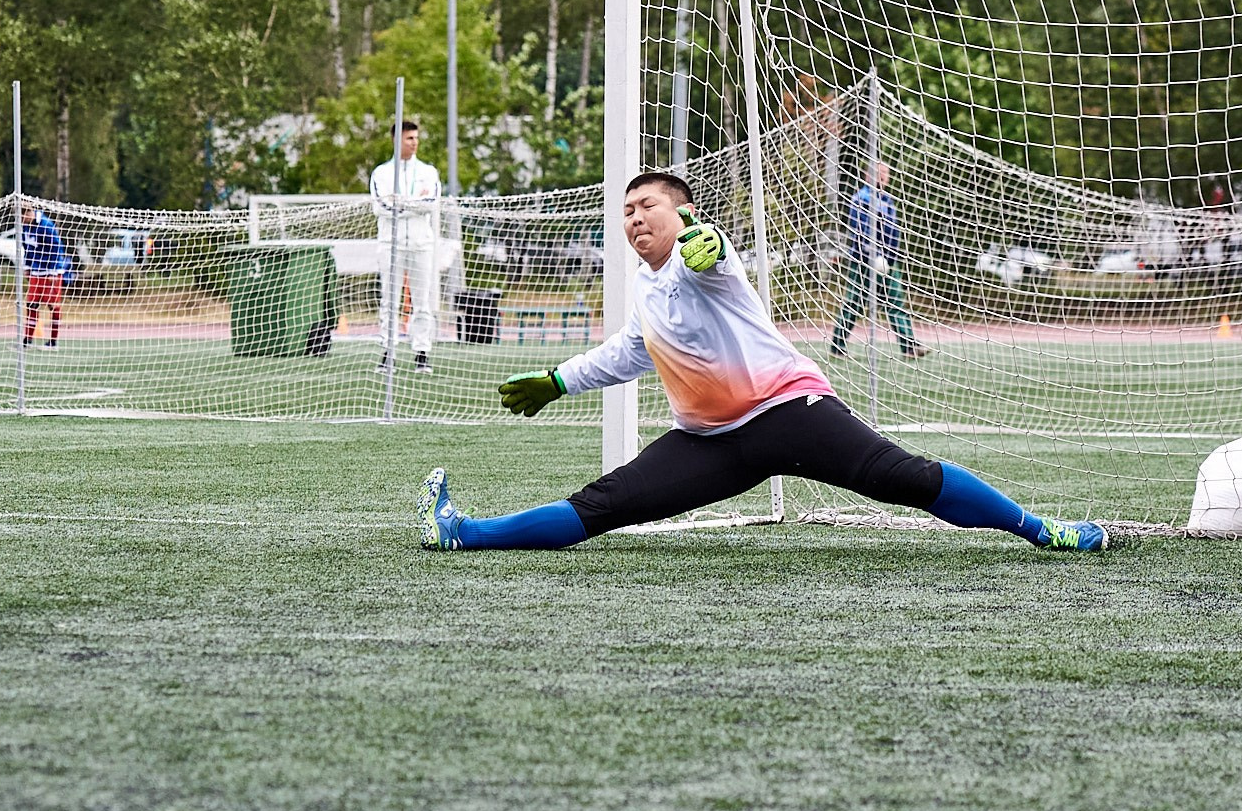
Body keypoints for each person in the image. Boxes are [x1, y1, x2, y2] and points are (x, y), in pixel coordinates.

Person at [417, 171, 1114, 554]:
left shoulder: (704, 257)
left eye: (648, 206)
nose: (634, 217)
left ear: (681, 212)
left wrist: (709, 242)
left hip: (791, 413)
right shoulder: (646, 284)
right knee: (602, 506)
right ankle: (464, 532)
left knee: (908, 478)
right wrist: (558, 379)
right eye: (627, 210)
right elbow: (633, 348)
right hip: (710, 443)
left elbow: (716, 253)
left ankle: (1040, 529)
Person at [828, 161, 927, 360]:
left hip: (889, 262)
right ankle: (837, 346)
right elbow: (859, 231)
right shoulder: (861, 199)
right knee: (854, 302)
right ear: (868, 176)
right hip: (864, 261)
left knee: (896, 303)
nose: (883, 176)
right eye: (879, 172)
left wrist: (890, 256)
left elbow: (893, 233)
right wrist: (872, 255)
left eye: (886, 173)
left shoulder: (888, 201)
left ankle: (909, 347)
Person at [369, 119, 441, 374]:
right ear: (397, 140)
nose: (414, 143)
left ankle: (422, 352)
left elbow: (430, 203)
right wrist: (411, 204)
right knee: (390, 300)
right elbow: (382, 206)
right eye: (409, 139)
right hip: (391, 244)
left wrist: (403, 203)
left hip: (422, 244)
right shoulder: (381, 173)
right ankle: (389, 353)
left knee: (422, 301)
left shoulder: (428, 172)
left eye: (416, 138)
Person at [21, 205, 70, 346]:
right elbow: (27, 248)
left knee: (53, 305)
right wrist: (27, 266)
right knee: (31, 304)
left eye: (22, 216)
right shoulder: (25, 227)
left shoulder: (46, 225)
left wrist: (53, 271)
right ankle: (27, 340)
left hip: (51, 271)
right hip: (36, 270)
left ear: (29, 213)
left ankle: (53, 341)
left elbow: (57, 248)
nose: (21, 220)